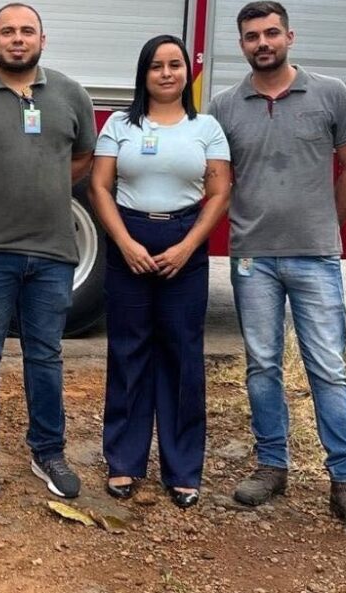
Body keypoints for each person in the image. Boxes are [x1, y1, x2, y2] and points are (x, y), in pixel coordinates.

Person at [209, 0, 346, 536]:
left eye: (271, 33)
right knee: (262, 365)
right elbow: (216, 179)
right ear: (240, 44)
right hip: (252, 259)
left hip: (314, 257)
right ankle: (272, 466)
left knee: (327, 368)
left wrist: (326, 227)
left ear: (290, 36)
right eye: (251, 36)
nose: (262, 43)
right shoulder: (224, 106)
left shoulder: (331, 94)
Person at [0, 3, 95, 499]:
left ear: (42, 40)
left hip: (52, 251)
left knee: (45, 355)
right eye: (7, 31)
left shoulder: (72, 95)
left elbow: (83, 158)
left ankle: (48, 453)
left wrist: (45, 186)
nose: (17, 39)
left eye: (27, 31)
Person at [88, 35, 231, 509]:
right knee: (129, 351)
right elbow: (101, 187)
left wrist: (189, 247)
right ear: (143, 74)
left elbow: (219, 193)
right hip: (129, 241)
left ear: (187, 73)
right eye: (156, 66)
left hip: (184, 244)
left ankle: (183, 468)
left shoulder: (206, 127)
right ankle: (125, 462)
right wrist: (124, 243)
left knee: (182, 354)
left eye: (175, 65)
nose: (166, 73)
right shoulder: (118, 125)